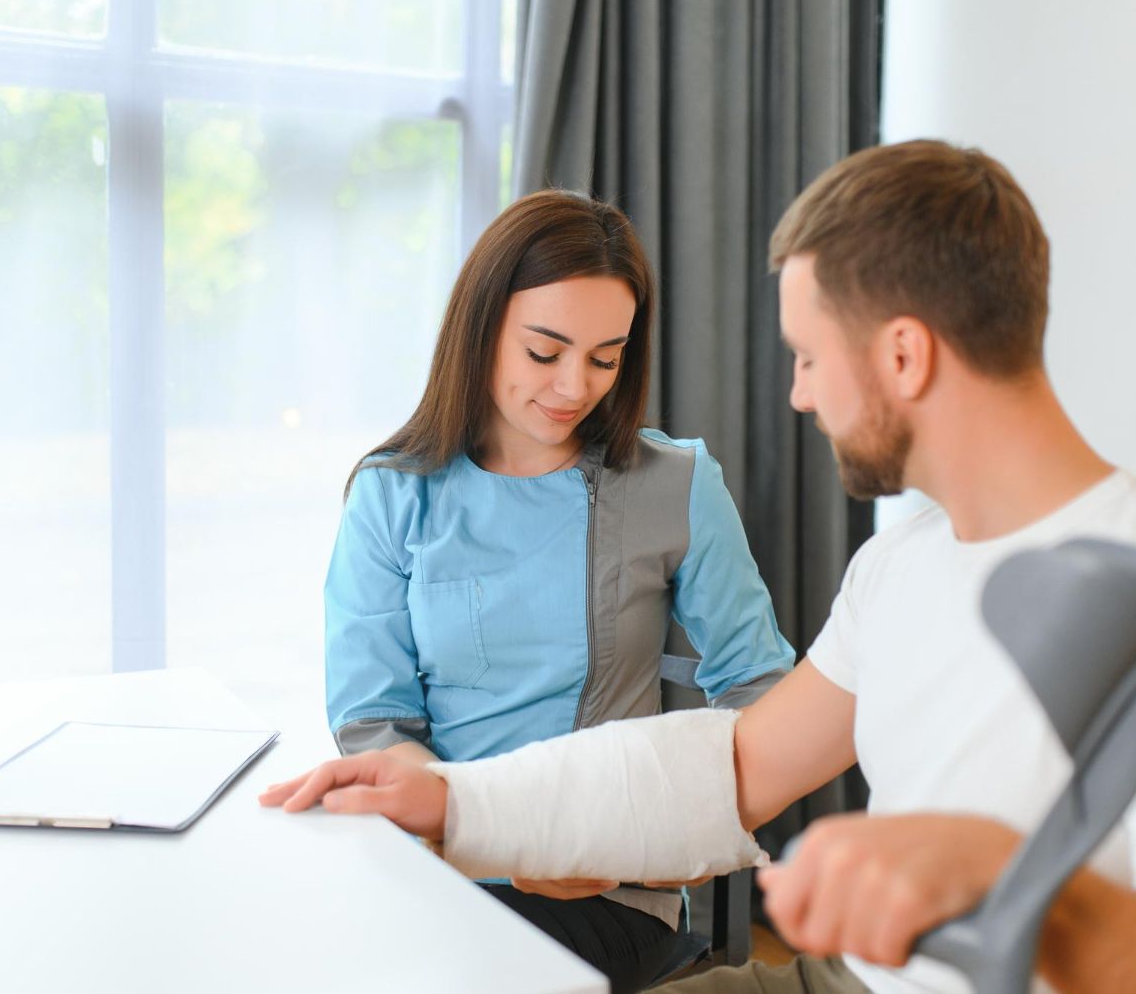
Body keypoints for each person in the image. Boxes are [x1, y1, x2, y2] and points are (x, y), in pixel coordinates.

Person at [264, 142, 1136, 993]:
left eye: (811, 357)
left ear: (904, 355)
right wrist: (450, 801)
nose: (799, 395)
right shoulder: (903, 564)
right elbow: (732, 767)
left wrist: (1025, 892)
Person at [319, 189, 795, 992]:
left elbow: (764, 695)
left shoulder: (675, 484)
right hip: (437, 866)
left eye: (605, 357)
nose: (575, 386)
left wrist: (637, 835)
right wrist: (486, 840)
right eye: (545, 352)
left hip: (607, 886)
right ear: (482, 331)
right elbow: (374, 723)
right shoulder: (393, 492)